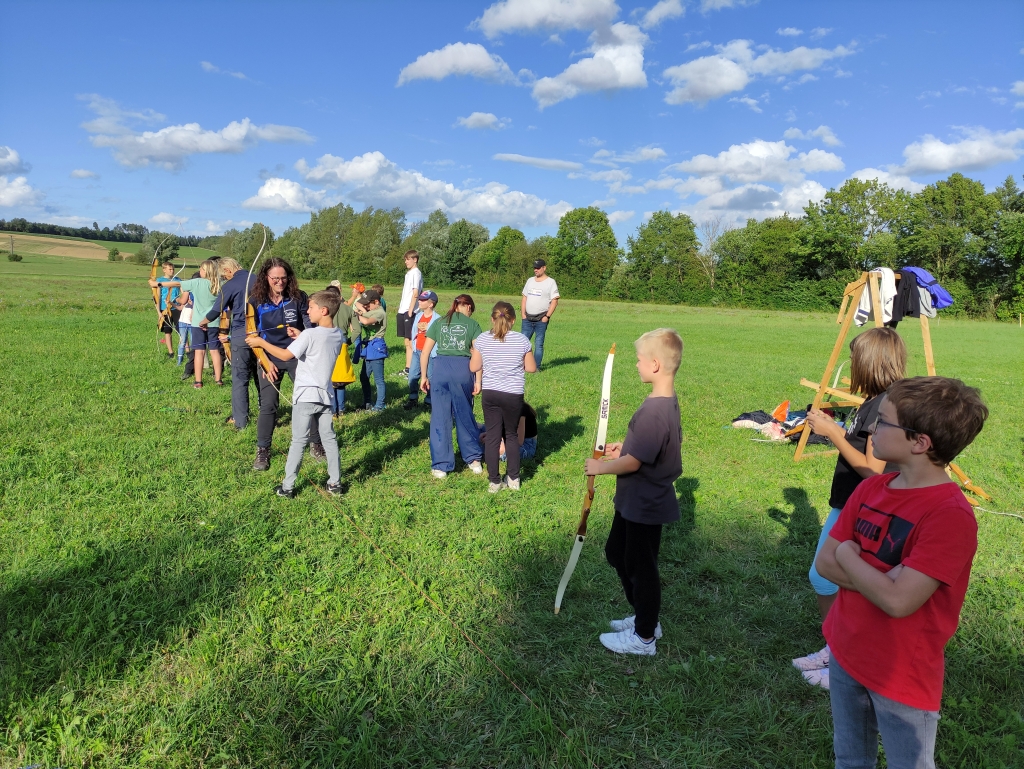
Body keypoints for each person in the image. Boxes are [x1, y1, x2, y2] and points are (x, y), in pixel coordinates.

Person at [814, 377, 988, 769]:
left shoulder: (949, 516)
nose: (871, 428)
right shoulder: (872, 488)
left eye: (884, 422)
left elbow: (898, 601)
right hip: (846, 649)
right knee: (850, 758)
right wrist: (881, 578)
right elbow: (825, 564)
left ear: (919, 442)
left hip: (901, 673)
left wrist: (850, 554)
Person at [794, 327, 908, 690]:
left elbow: (872, 469)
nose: (850, 367)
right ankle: (837, 651)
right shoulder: (874, 399)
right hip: (848, 503)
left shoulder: (885, 404)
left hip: (861, 507)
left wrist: (832, 432)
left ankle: (841, 658)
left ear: (870, 362)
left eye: (855, 359)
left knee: (823, 576)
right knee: (836, 581)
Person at [585, 328, 683, 656]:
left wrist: (601, 467)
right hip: (635, 500)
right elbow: (645, 449)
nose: (637, 365)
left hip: (645, 501)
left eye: (640, 360)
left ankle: (644, 637)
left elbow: (634, 464)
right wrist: (624, 447)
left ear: (655, 365)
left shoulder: (656, 410)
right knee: (617, 552)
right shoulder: (662, 401)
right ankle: (645, 616)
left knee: (641, 566)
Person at [247, 290, 346, 497]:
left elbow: (285, 354)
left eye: (311, 308)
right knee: (329, 439)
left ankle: (287, 487)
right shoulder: (338, 334)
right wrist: (301, 336)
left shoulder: (310, 334)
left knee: (298, 441)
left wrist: (261, 343)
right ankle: (335, 483)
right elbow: (319, 345)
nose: (307, 311)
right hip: (326, 397)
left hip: (306, 397)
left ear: (324, 310)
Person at [248, 257, 325, 471]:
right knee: (269, 404)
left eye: (284, 278)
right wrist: (264, 361)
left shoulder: (298, 297)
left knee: (308, 401)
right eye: (275, 279)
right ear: (266, 277)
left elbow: (310, 327)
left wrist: (301, 333)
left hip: (296, 356)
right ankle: (263, 450)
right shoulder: (255, 300)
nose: (280, 282)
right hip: (269, 358)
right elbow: (251, 334)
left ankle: (316, 443)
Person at [470, 302, 537, 492]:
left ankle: (494, 481)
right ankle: (514, 479)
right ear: (513, 320)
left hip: (491, 393)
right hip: (513, 394)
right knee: (511, 435)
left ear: (492, 319)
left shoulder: (482, 339)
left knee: (492, 437)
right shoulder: (522, 340)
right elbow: (531, 368)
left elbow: (474, 367)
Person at [420, 294, 484, 479]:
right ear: (469, 307)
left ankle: (440, 466)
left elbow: (425, 352)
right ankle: (473, 459)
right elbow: (477, 355)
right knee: (464, 414)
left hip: (440, 370)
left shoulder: (439, 322)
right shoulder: (472, 325)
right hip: (462, 370)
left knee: (440, 417)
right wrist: (478, 380)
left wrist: (424, 376)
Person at [198, 258, 254, 429]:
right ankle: (267, 413)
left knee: (239, 378)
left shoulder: (230, 285)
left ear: (229, 270)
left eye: (224, 275)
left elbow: (216, 310)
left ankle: (240, 420)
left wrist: (203, 321)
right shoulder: (258, 279)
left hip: (241, 333)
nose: (225, 278)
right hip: (262, 334)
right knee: (262, 376)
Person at [152, 260, 223, 388]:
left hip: (197, 323)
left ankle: (198, 382)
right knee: (214, 351)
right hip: (214, 322)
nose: (199, 271)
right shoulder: (219, 283)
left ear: (205, 271)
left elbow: (177, 283)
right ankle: (218, 380)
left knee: (199, 352)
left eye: (201, 269)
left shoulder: (196, 282)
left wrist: (157, 284)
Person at [352, 289, 388, 411]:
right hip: (369, 347)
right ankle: (367, 402)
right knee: (364, 377)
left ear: (376, 301)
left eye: (368, 304)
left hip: (377, 347)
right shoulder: (370, 311)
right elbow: (358, 305)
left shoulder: (379, 313)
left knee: (378, 379)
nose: (365, 306)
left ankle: (380, 405)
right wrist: (360, 309)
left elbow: (366, 321)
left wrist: (356, 314)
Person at [520, 258, 559, 369]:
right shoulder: (530, 281)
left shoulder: (550, 282)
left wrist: (547, 316)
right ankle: (520, 366)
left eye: (538, 268)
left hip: (541, 319)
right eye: (534, 268)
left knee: (538, 344)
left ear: (544, 268)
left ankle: (536, 367)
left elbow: (555, 301)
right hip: (527, 318)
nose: (535, 270)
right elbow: (524, 298)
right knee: (522, 343)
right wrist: (523, 314)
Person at [404, 290, 439, 410]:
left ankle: (429, 400)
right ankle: (413, 398)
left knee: (430, 376)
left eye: (423, 300)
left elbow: (438, 335)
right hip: (417, 350)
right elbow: (414, 331)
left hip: (430, 353)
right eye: (420, 299)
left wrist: (428, 327)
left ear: (431, 304)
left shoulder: (438, 319)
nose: (419, 301)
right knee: (413, 375)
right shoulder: (419, 315)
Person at [325, 284, 351, 415]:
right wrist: (349, 342)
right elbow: (356, 329)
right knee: (340, 379)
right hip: (343, 342)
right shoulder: (347, 308)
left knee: (330, 377)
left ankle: (333, 409)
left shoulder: (326, 309)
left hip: (328, 342)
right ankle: (341, 409)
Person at [396, 250, 423, 378]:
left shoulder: (416, 274)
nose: (406, 261)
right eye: (405, 259)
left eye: (408, 259)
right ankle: (408, 369)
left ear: (415, 260)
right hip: (403, 310)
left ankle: (413, 370)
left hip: (409, 311)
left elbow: (416, 292)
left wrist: (411, 310)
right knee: (407, 342)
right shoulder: (409, 273)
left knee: (411, 342)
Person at [155, 261, 181, 358]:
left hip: (176, 308)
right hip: (164, 309)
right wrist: (159, 312)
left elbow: (182, 292)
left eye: (173, 269)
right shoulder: (160, 280)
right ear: (164, 270)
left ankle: (185, 350)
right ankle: (171, 352)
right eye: (169, 269)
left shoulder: (178, 280)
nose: (172, 271)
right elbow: (157, 297)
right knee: (167, 330)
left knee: (181, 329)